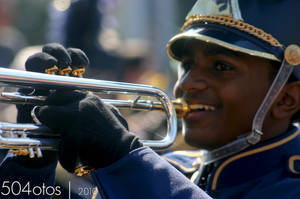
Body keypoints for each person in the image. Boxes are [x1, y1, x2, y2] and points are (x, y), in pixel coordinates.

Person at [9, 0, 300, 199]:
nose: (186, 84)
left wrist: (123, 156)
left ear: (287, 99)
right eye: (185, 65)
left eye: (221, 67)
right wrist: (29, 167)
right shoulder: (171, 168)